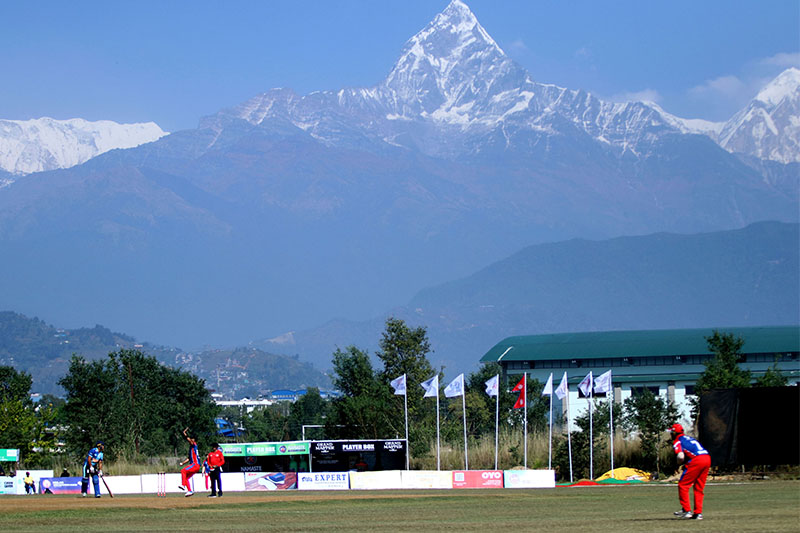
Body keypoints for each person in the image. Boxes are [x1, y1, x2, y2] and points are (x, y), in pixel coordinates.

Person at [670, 423, 711, 520]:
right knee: (698, 487)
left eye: (672, 432)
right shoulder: (689, 438)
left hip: (696, 460)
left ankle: (686, 510)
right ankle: (698, 513)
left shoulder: (677, 441)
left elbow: (680, 456)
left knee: (683, 485)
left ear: (674, 433)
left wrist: (678, 464)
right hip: (706, 458)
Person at [178, 428, 201, 497]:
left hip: (195, 464)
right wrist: (183, 463)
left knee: (183, 471)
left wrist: (184, 433)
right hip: (195, 465)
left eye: (192, 439)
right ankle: (190, 491)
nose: (191, 440)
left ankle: (183, 485)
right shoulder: (191, 449)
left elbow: (189, 440)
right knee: (186, 478)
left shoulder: (194, 445)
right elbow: (189, 458)